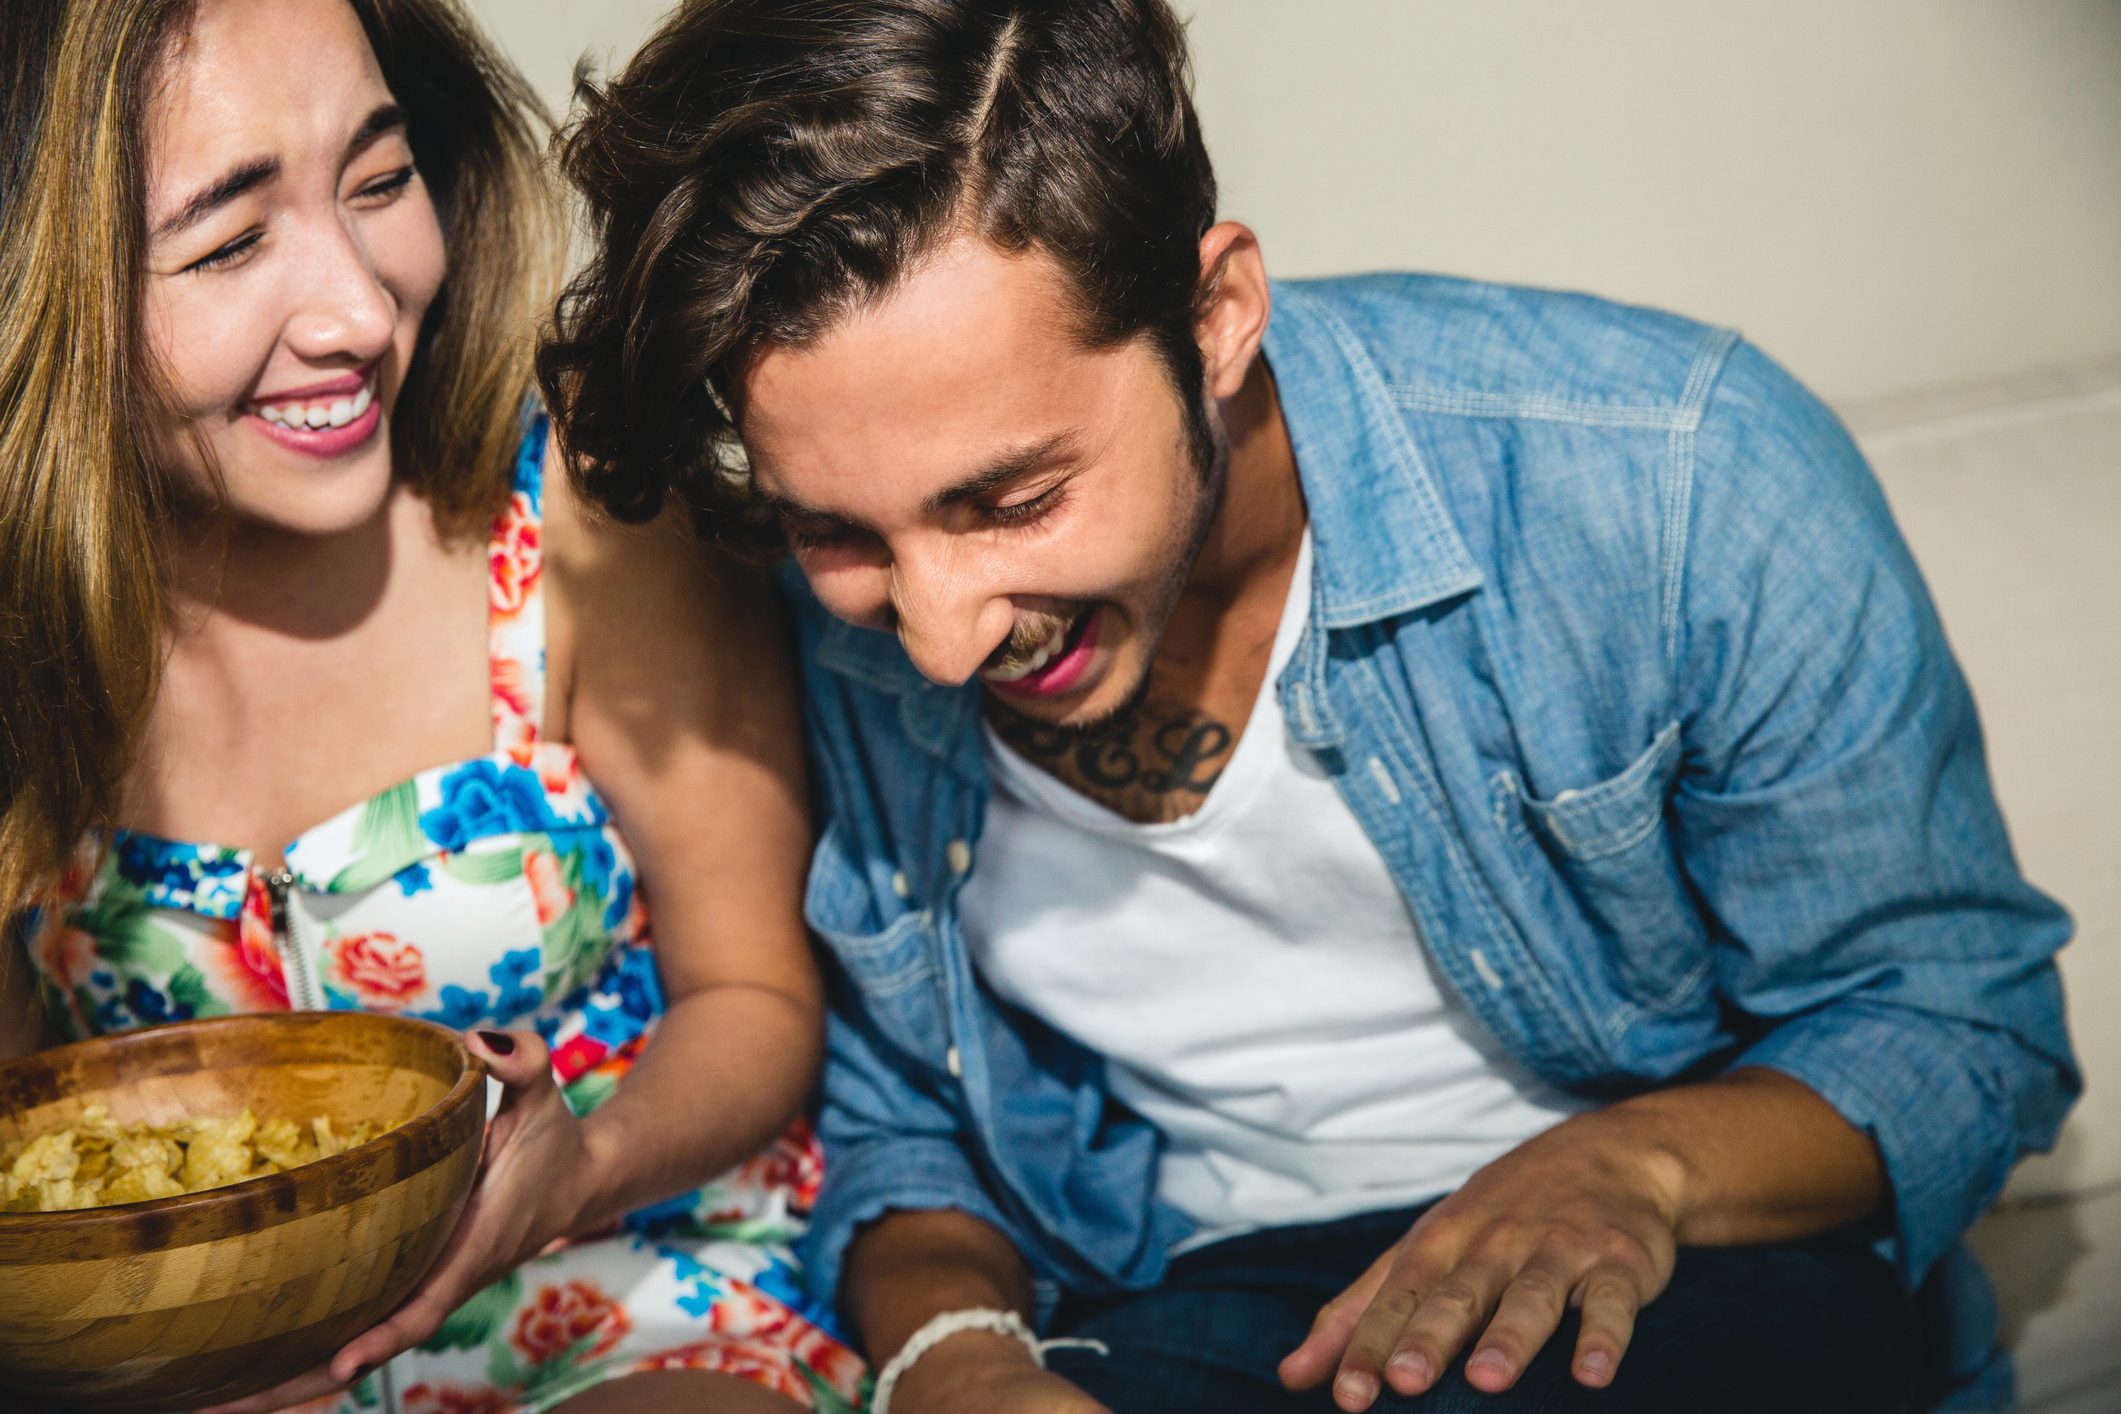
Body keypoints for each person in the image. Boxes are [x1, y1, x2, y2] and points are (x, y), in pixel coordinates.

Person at [540, 2, 2079, 1411]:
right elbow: (902, 1139)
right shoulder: (830, 620)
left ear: (1214, 315)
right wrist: (960, 1358)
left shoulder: (1673, 476)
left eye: (1011, 498)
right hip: (1189, 1309)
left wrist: (1640, 1164)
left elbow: (1957, 1016)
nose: (937, 638)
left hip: (1686, 1276)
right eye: (844, 532)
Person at [0, 2, 867, 1411]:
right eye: (228, 242)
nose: (356, 306)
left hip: (629, 1297)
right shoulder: (26, 638)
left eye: (379, 179)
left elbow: (759, 998)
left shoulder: (576, 510)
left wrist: (575, 1163)